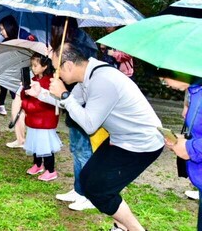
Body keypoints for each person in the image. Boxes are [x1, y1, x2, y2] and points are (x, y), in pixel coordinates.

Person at [36, 42, 164, 231]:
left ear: (69, 66)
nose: (56, 75)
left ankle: (135, 229)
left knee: (98, 190)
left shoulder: (103, 80)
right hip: (121, 138)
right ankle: (121, 226)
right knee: (89, 180)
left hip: (141, 143)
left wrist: (64, 95)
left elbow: (89, 125)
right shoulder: (87, 76)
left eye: (57, 70)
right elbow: (75, 104)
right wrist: (41, 94)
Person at [50, 16, 98, 211]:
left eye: (54, 26)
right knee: (76, 150)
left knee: (85, 151)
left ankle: (88, 194)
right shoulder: (64, 43)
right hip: (71, 100)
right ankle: (78, 190)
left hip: (83, 104)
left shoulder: (82, 45)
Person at [160, 72, 202, 229]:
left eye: (164, 79)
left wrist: (189, 148)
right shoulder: (195, 91)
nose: (166, 85)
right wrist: (182, 142)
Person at [16, 54, 61, 181]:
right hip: (34, 119)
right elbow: (27, 97)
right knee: (35, 142)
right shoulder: (34, 79)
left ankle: (51, 170)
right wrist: (24, 90)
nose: (33, 68)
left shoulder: (49, 82)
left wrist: (25, 104)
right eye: (32, 65)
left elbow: (41, 104)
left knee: (45, 146)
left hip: (44, 120)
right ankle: (37, 164)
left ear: (45, 66)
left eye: (36, 65)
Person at [0, 15, 37, 148]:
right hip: (14, 77)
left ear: (10, 26)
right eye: (0, 30)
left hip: (28, 77)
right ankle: (20, 139)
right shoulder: (7, 40)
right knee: (17, 109)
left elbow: (36, 56)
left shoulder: (27, 37)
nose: (1, 32)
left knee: (23, 109)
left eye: (2, 29)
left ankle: (25, 139)